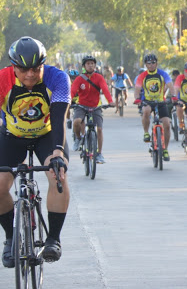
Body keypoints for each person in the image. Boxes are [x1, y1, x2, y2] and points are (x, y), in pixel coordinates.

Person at [0, 37, 71, 266]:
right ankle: (11, 238)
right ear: (13, 67)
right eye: (23, 69)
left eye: (36, 68)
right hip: (12, 136)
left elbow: (60, 116)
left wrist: (58, 151)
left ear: (44, 65)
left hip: (47, 136)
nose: (30, 75)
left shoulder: (57, 78)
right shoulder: (2, 80)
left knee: (57, 174)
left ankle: (53, 239)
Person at [70, 56, 115, 164]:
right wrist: (68, 101)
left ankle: (99, 154)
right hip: (81, 106)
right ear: (84, 66)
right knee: (76, 122)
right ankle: (78, 138)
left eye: (92, 64)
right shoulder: (79, 79)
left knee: (99, 129)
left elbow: (105, 89)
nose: (91, 65)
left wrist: (110, 101)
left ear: (95, 65)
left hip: (95, 106)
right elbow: (72, 91)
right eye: (88, 64)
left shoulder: (99, 77)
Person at [133, 54, 173, 161]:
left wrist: (173, 96)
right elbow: (137, 88)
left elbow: (169, 84)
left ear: (157, 63)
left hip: (161, 101)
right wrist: (137, 98)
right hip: (148, 101)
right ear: (146, 65)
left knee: (167, 124)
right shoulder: (143, 75)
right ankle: (146, 133)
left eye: (153, 62)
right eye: (149, 63)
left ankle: (165, 149)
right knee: (146, 111)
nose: (151, 65)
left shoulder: (162, 73)